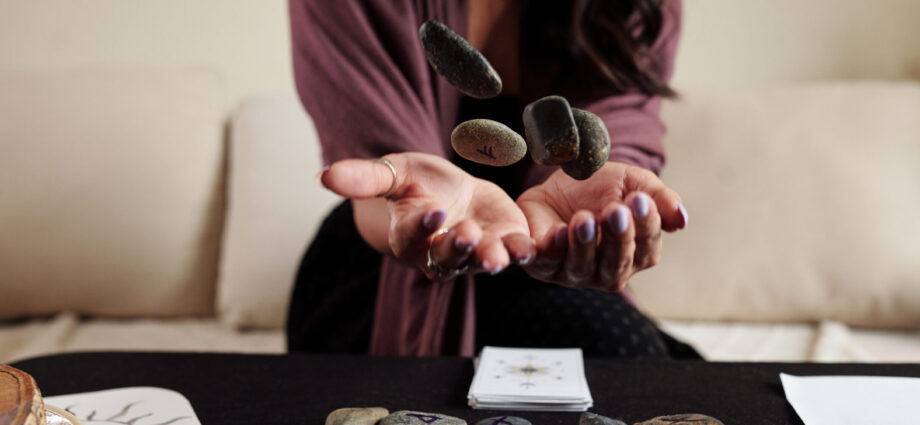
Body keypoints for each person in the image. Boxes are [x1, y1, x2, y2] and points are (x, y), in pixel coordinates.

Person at [287, 0, 697, 358]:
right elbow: (381, 177)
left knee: (636, 364)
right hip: (380, 271)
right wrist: (421, 210)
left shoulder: (627, 7)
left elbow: (614, 123)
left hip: (547, 249)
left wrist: (596, 187)